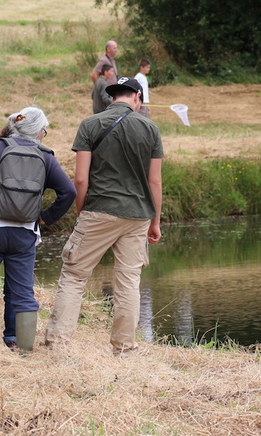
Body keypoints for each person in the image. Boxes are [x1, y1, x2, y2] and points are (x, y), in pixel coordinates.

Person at [45, 77, 163, 355]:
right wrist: (155, 221)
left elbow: (80, 180)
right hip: (137, 216)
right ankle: (124, 348)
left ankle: (57, 344)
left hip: (98, 210)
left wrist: (81, 212)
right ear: (137, 97)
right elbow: (154, 182)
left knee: (74, 276)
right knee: (128, 283)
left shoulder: (90, 124)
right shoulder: (150, 128)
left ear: (113, 97)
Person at [0, 107, 76, 352]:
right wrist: (44, 218)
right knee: (22, 291)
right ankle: (20, 346)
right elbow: (69, 193)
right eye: (44, 130)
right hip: (24, 233)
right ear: (38, 131)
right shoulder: (45, 156)